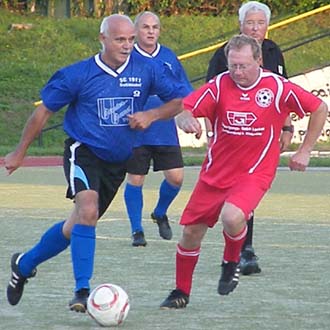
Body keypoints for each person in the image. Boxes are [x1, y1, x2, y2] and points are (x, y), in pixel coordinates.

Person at [4, 14, 185, 313]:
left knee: (76, 224)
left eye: (130, 39)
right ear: (102, 39)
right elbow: (43, 113)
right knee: (87, 210)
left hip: (118, 161)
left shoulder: (146, 70)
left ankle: (24, 264)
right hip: (83, 150)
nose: (127, 46)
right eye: (120, 40)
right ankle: (82, 292)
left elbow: (179, 100)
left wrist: (152, 115)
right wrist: (20, 151)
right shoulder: (77, 75)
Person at [160, 34, 328, 309]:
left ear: (259, 61)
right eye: (232, 65)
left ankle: (231, 260)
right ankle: (181, 292)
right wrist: (185, 117)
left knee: (232, 215)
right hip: (215, 173)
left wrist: (305, 150)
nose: (237, 72)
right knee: (191, 234)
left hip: (254, 172)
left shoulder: (277, 87)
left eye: (243, 65)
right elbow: (186, 106)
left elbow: (319, 107)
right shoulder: (219, 84)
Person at [205, 1, 293, 275]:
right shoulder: (225, 54)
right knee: (235, 193)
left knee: (247, 192)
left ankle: (245, 249)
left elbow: (284, 92)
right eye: (250, 23)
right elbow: (210, 94)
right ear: (240, 25)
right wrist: (211, 132)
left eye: (260, 23)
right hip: (234, 134)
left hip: (264, 135)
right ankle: (242, 250)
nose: (256, 28)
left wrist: (287, 127)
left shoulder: (273, 50)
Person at [124, 11, 193, 247]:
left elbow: (184, 92)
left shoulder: (168, 57)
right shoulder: (127, 56)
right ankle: (136, 231)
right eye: (145, 27)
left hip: (164, 127)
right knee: (136, 178)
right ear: (136, 31)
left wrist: (188, 116)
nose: (151, 31)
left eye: (155, 27)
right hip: (136, 128)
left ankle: (160, 212)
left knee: (176, 178)